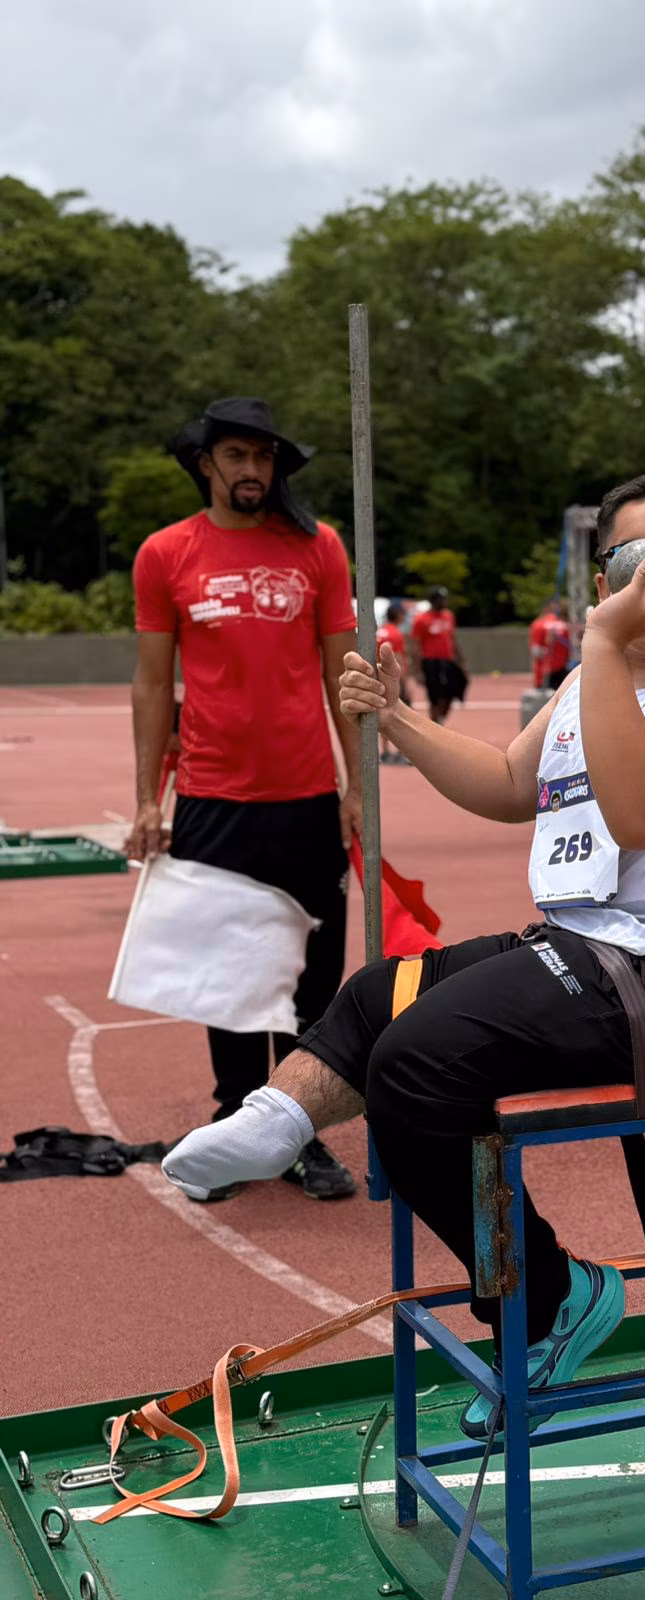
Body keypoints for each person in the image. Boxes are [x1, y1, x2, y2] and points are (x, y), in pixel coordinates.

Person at [161, 471, 645, 1433]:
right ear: (600, 573)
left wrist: (607, 646)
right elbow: (504, 783)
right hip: (587, 952)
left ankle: (550, 1297)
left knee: (418, 1067)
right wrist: (396, 719)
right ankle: (281, 1115)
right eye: (629, 560)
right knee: (377, 995)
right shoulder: (589, 683)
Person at [128, 396, 361, 1200]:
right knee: (227, 971)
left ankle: (302, 1132)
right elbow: (154, 682)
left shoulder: (318, 548)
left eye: (264, 458)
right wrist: (146, 798)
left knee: (313, 975)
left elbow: (342, 676)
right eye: (237, 456)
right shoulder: (165, 555)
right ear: (206, 463)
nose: (253, 471)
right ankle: (232, 1125)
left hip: (304, 796)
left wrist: (356, 788)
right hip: (211, 797)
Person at [411, 586, 467, 725]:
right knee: (435, 696)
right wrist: (417, 671)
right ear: (433, 601)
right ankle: (435, 724)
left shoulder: (448, 616)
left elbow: (452, 639)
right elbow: (416, 646)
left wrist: (461, 660)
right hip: (430, 662)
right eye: (442, 599)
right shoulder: (421, 619)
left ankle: (440, 717)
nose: (445, 602)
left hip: (447, 661)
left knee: (454, 689)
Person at [375, 604, 411, 762]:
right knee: (401, 715)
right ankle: (402, 752)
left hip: (378, 677)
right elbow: (397, 661)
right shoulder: (396, 634)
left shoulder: (380, 631)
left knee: (383, 713)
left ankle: (385, 751)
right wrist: (405, 684)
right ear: (397, 615)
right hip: (393, 680)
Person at [529, 597, 571, 692]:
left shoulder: (538, 624)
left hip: (545, 673)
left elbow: (535, 652)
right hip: (562, 670)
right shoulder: (566, 626)